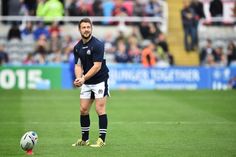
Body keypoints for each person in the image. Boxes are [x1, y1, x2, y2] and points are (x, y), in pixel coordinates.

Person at [72, 18, 109, 148]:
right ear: (79, 29)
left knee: (99, 109)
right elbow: (77, 65)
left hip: (99, 80)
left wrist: (83, 79)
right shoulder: (77, 47)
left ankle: (101, 140)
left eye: (88, 27)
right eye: (84, 27)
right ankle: (84, 139)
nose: (86, 29)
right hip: (87, 81)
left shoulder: (98, 45)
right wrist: (78, 78)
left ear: (91, 28)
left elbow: (97, 66)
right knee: (83, 110)